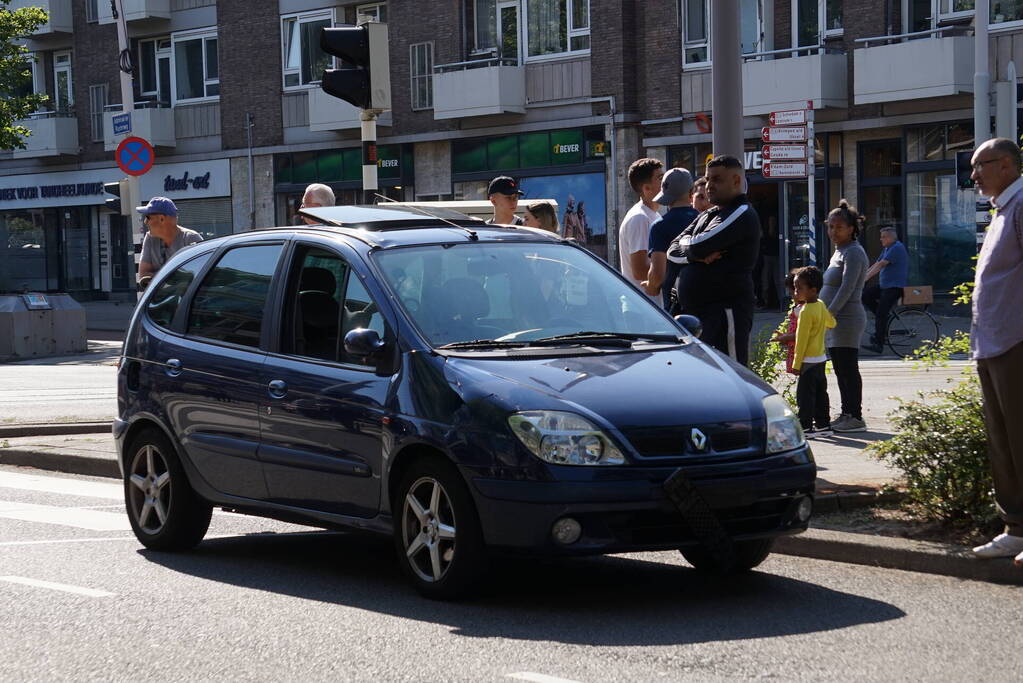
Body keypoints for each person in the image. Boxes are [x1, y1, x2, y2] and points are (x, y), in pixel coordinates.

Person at [965, 137, 1023, 563]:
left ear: (1005, 164)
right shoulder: (1003, 210)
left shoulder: (1020, 206)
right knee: (1003, 440)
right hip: (994, 341)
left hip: (1015, 340)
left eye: (979, 165)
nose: (974, 175)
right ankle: (1016, 528)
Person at [665, 155, 760, 366]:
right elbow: (672, 250)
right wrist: (696, 257)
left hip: (726, 313)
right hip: (697, 315)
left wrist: (692, 248)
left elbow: (696, 246)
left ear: (736, 181)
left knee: (732, 373)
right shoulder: (706, 215)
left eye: (717, 180)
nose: (709, 186)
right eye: (708, 179)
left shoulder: (741, 212)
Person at [820, 200, 869, 433]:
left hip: (847, 318)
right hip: (835, 320)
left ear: (851, 228)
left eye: (838, 227)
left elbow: (847, 288)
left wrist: (829, 313)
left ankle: (856, 416)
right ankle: (846, 413)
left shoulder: (854, 252)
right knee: (840, 368)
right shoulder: (840, 251)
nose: (833, 231)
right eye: (830, 227)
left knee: (848, 368)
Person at [789, 266, 836, 439]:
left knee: (804, 396)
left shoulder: (806, 311)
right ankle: (824, 424)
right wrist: (823, 319)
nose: (795, 292)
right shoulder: (821, 305)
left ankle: (806, 427)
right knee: (820, 393)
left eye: (799, 288)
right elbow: (832, 323)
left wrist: (796, 363)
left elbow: (801, 340)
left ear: (813, 290)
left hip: (807, 360)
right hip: (821, 358)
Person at [642, 167, 698, 309]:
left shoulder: (659, 226)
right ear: (691, 192)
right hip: (707, 302)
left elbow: (658, 274)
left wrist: (650, 285)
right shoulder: (704, 220)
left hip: (677, 304)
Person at [617, 158, 664, 298]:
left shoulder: (652, 215)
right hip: (642, 309)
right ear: (646, 188)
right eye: (660, 178)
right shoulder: (640, 218)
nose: (665, 182)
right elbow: (639, 270)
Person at [861, 227, 909, 354]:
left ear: (890, 237)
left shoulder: (897, 247)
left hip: (894, 287)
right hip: (885, 286)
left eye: (883, 237)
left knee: (881, 315)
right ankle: (883, 321)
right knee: (865, 296)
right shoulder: (887, 248)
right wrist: (862, 277)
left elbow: (882, 265)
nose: (880, 239)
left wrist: (864, 279)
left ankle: (879, 344)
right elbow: (876, 264)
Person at [136, 197, 202, 287]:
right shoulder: (150, 238)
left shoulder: (191, 238)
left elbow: (198, 276)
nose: (145, 222)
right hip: (160, 300)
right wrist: (177, 279)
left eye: (148, 217)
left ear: (162, 219)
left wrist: (156, 278)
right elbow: (144, 276)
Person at [772, 270, 800, 376]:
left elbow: (805, 333)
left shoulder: (805, 310)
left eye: (793, 293)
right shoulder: (798, 308)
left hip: (805, 358)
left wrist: (786, 338)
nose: (793, 296)